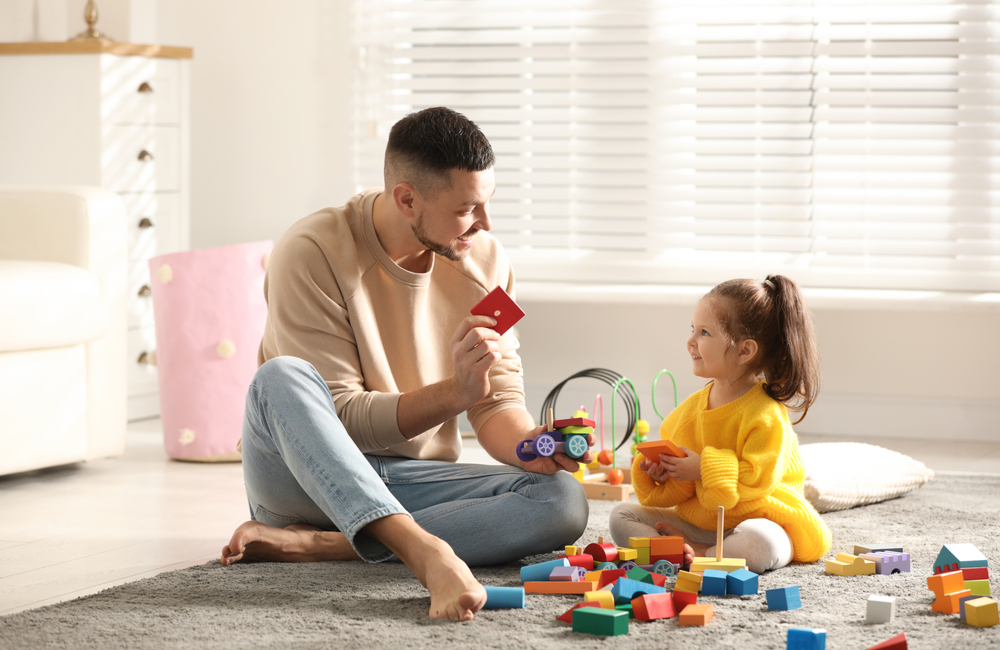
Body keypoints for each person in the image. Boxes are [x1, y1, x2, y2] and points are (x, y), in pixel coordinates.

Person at [220, 107, 590, 621]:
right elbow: (342, 419)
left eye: (488, 203)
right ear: (407, 199)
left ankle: (324, 546)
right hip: (305, 479)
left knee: (561, 501)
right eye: (467, 209)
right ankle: (425, 553)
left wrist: (531, 448)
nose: (484, 224)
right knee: (281, 378)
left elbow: (498, 399)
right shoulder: (312, 252)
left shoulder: (484, 260)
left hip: (408, 477)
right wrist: (455, 394)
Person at [609, 275, 832, 574]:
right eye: (692, 329)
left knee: (762, 544)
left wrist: (701, 467)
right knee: (621, 514)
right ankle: (682, 551)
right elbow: (682, 492)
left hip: (762, 518)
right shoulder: (687, 413)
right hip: (706, 522)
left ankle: (700, 553)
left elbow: (756, 481)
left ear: (744, 351)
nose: (690, 341)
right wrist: (663, 474)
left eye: (704, 332)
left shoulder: (766, 414)